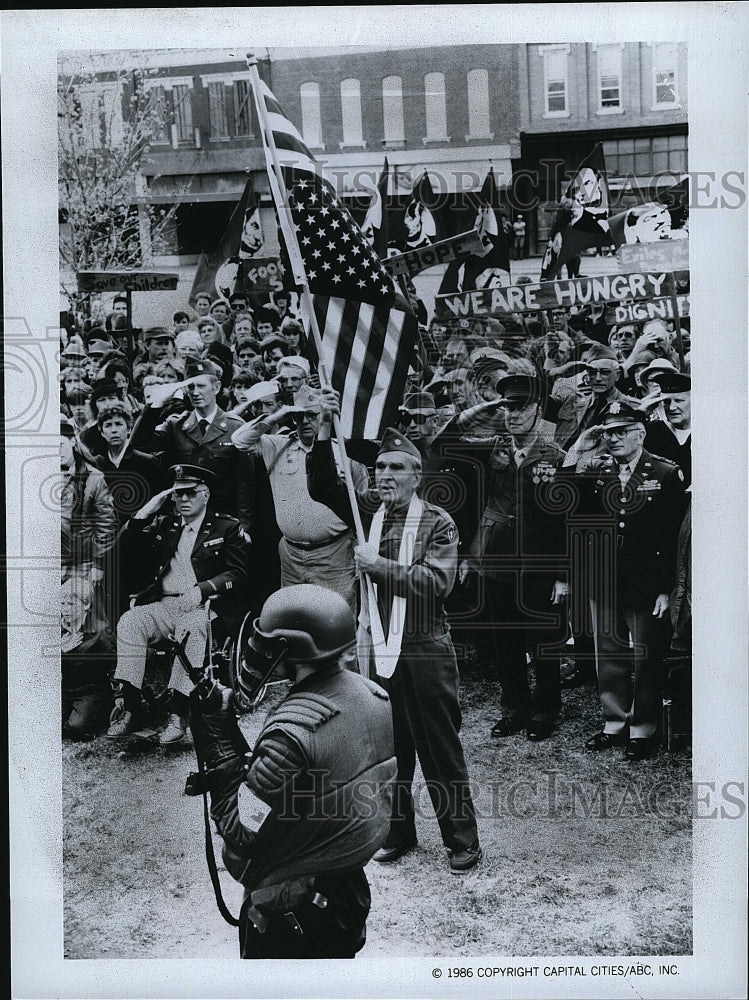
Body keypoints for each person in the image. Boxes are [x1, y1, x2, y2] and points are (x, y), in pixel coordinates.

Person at [308, 391, 482, 873]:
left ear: (416, 475)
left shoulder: (437, 522)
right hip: (376, 646)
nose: (384, 475)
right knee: (389, 749)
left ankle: (462, 840)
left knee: (439, 748)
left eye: (396, 469)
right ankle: (398, 831)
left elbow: (435, 583)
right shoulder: (370, 511)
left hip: (424, 647)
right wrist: (325, 428)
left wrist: (378, 564)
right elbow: (324, 485)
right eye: (380, 467)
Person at [191, 584, 396, 958]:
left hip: (292, 908)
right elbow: (307, 790)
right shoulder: (372, 696)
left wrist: (220, 758)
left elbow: (246, 836)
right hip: (345, 887)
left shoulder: (293, 731)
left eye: (270, 643)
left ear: (294, 649)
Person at [460, 375, 569, 739]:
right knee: (504, 639)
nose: (514, 415)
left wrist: (563, 575)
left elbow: (565, 523)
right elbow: (450, 437)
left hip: (540, 563)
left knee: (543, 641)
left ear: (538, 410)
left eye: (521, 407)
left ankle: (545, 710)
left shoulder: (556, 457)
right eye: (507, 407)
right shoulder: (494, 447)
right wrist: (486, 408)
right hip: (498, 559)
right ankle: (514, 708)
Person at [108, 464, 249, 744]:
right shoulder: (167, 525)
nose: (183, 500)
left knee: (192, 625)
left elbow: (238, 573)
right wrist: (143, 513)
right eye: (178, 494)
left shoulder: (227, 527)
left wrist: (203, 589)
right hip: (166, 604)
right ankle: (132, 707)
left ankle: (178, 713)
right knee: (130, 621)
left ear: (205, 494)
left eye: (190, 493)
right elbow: (124, 550)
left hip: (205, 607)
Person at [576, 401, 686, 761]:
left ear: (641, 433)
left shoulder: (666, 472)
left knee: (645, 656)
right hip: (604, 574)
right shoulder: (596, 470)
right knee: (608, 654)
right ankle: (614, 721)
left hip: (646, 579)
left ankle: (643, 727)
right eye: (609, 432)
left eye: (622, 431)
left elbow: (673, 537)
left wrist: (665, 588)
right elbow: (575, 514)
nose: (614, 438)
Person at [231, 385, 368, 616]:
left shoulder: (345, 453)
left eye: (312, 415)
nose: (304, 422)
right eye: (298, 416)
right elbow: (239, 441)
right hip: (292, 556)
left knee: (337, 622)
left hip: (334, 555)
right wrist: (280, 415)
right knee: (296, 622)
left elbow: (363, 510)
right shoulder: (277, 446)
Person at [132, 358, 254, 534]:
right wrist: (157, 404)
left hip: (224, 524)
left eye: (201, 386)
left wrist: (244, 528)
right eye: (191, 387)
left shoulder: (236, 427)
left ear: (217, 387)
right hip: (186, 522)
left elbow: (246, 487)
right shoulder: (176, 425)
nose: (195, 392)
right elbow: (140, 444)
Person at [645, 371, 691, 487]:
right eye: (666, 402)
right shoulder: (653, 431)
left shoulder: (707, 431)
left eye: (679, 401)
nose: (671, 408)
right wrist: (641, 413)